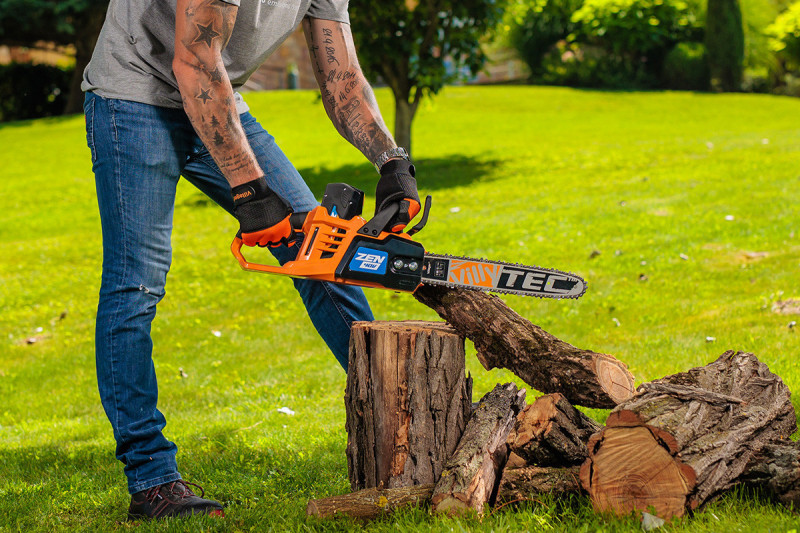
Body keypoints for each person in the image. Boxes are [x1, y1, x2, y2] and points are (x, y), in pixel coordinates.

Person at [81, 0, 420, 521]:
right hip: (134, 97)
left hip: (220, 100)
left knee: (325, 254)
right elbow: (193, 61)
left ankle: (404, 426)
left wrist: (392, 161)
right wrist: (251, 190)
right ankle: (151, 480)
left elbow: (342, 76)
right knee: (136, 286)